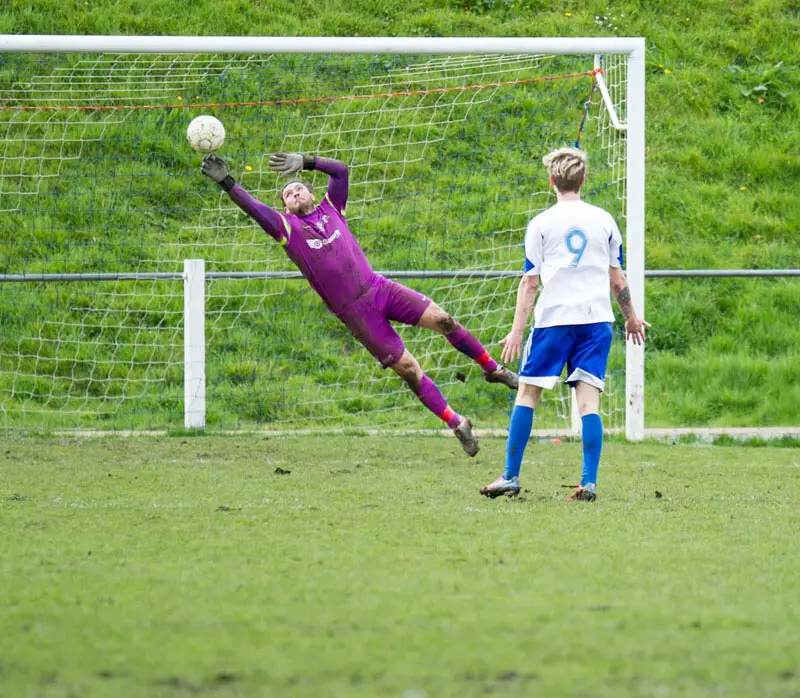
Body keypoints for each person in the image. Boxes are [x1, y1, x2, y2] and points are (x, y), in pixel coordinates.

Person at [201, 152, 518, 456]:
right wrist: (227, 182)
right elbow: (253, 207)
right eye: (287, 193)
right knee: (408, 369)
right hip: (357, 314)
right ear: (283, 206)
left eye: (298, 187)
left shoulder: (332, 208)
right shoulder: (285, 228)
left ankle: (492, 368)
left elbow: (340, 170)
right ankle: (456, 422)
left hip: (380, 289)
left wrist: (306, 162)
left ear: (312, 195)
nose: (294, 192)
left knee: (443, 319)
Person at [480, 147, 649, 500]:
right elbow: (617, 279)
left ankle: (510, 476)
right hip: (595, 322)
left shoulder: (540, 223)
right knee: (589, 404)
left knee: (527, 395)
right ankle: (588, 482)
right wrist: (631, 318)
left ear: (551, 181)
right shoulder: (604, 220)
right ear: (583, 179)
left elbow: (530, 282)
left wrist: (516, 331)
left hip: (554, 322)